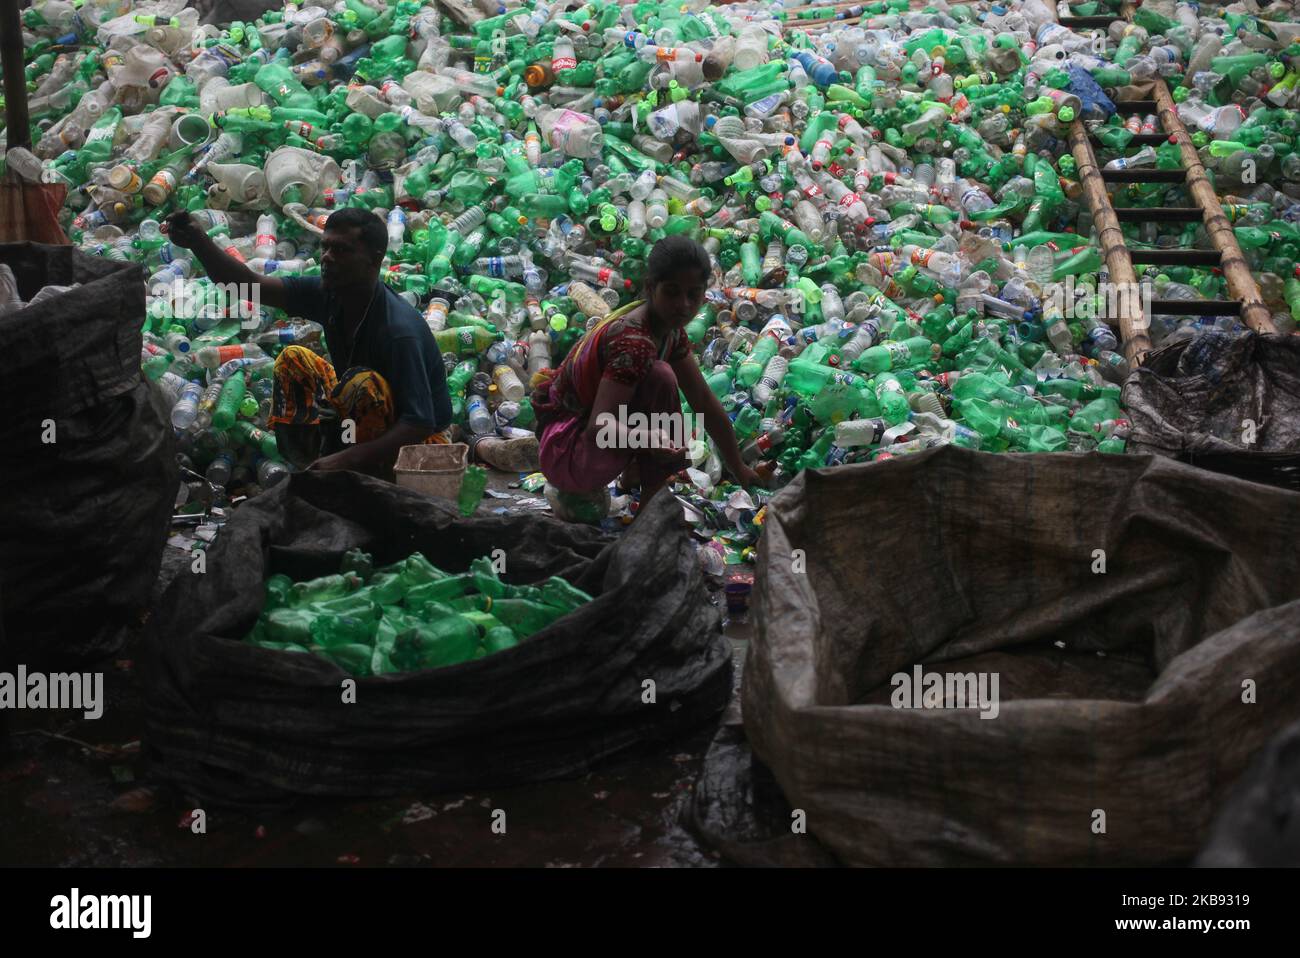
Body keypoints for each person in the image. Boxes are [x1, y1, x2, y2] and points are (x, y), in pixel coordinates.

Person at [163, 207, 453, 479]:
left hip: (421, 446)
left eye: (341, 250)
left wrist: (347, 459)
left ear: (374, 260)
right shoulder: (330, 293)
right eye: (325, 247)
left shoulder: (398, 331)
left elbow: (419, 423)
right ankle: (308, 465)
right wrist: (198, 241)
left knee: (362, 384)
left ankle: (353, 472)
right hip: (362, 419)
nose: (327, 257)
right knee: (294, 360)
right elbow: (247, 284)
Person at [532, 235, 765, 520]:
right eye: (672, 292)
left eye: (694, 294)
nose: (684, 305)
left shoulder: (669, 330)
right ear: (650, 287)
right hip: (568, 452)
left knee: (660, 387)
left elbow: (703, 400)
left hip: (580, 442)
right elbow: (599, 426)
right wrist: (646, 437)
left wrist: (738, 466)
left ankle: (636, 478)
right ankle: (650, 505)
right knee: (661, 378)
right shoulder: (634, 340)